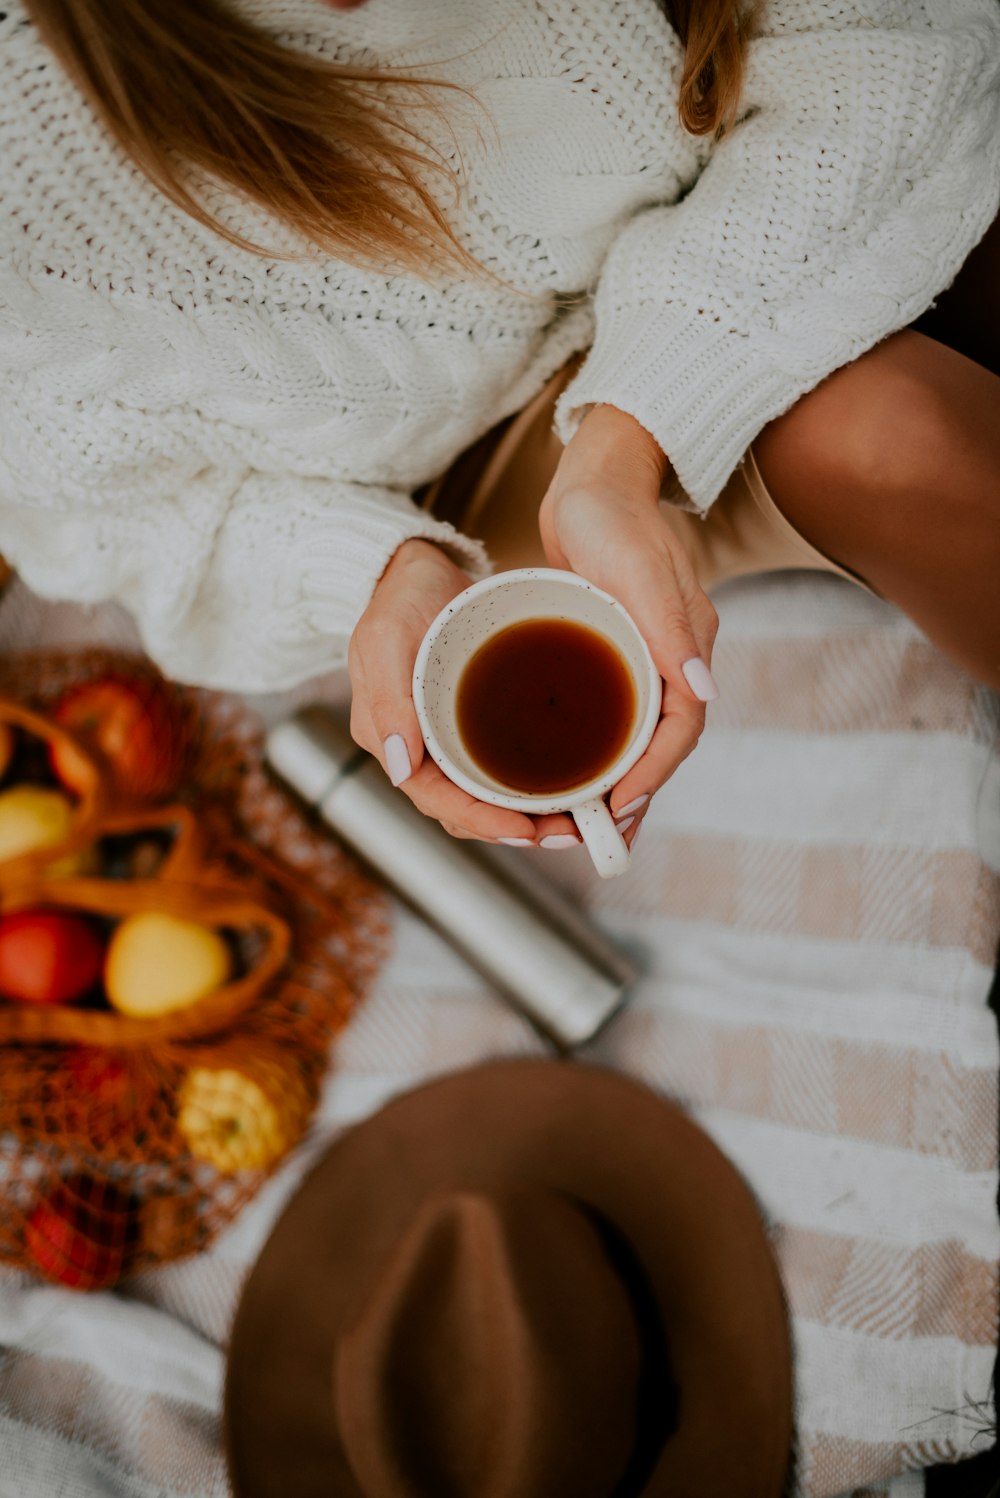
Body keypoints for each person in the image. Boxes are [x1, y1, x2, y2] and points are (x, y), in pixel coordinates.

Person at [1, 0, 998, 852]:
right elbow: (143, 527)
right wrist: (382, 569)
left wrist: (631, 434)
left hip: (720, 231)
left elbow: (900, 56)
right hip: (455, 477)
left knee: (890, 437)